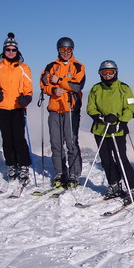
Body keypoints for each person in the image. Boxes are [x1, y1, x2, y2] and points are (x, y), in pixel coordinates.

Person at [87, 61, 134, 204]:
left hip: (117, 131)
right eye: (104, 73)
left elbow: (130, 108)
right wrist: (101, 118)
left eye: (110, 73)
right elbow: (91, 108)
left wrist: (121, 122)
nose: (107, 76)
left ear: (116, 73)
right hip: (101, 129)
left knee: (121, 159)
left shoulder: (124, 88)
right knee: (106, 159)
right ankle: (114, 185)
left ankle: (133, 188)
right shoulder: (96, 89)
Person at [39, 37, 86, 188]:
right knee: (56, 143)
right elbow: (43, 84)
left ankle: (74, 174)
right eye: (63, 50)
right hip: (55, 109)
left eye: (68, 50)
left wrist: (59, 80)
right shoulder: (51, 66)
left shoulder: (78, 67)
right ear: (58, 50)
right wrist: (53, 90)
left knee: (71, 143)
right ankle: (60, 173)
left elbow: (77, 86)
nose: (66, 53)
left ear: (72, 50)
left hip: (70, 109)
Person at [0, 33, 33, 185]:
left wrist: (27, 97)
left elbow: (28, 86)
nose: (11, 52)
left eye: (13, 50)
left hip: (18, 106)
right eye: (8, 49)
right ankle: (11, 165)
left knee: (19, 138)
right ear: (4, 50)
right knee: (7, 138)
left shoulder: (23, 68)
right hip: (2, 107)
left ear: (17, 51)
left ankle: (24, 165)